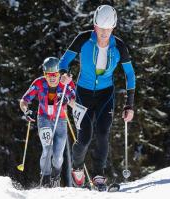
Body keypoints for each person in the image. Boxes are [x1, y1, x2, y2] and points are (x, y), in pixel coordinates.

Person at [59, 5, 136, 189]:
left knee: (102, 134)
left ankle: (98, 175)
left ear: (113, 28)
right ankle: (77, 168)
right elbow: (64, 61)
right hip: (83, 94)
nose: (104, 33)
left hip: (105, 95)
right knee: (84, 136)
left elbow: (130, 75)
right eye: (101, 28)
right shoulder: (83, 39)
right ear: (95, 26)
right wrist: (63, 73)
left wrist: (129, 105)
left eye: (108, 29)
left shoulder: (119, 47)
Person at [19, 57, 76, 187]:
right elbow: (24, 100)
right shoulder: (39, 83)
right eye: (48, 75)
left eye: (55, 75)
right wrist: (26, 110)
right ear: (45, 74)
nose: (52, 78)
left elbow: (75, 104)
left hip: (60, 120)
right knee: (47, 148)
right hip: (44, 118)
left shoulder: (66, 83)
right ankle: (45, 178)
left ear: (59, 74)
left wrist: (67, 100)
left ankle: (55, 176)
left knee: (58, 155)